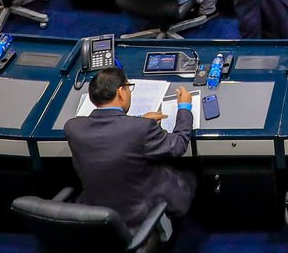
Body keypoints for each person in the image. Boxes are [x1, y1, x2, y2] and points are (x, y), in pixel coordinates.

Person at [63, 67, 197, 229]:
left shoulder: (72, 128)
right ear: (121, 92)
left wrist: (138, 120)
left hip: (97, 213)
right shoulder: (141, 129)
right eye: (128, 87)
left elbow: (113, 133)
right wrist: (184, 108)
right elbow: (178, 145)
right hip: (139, 215)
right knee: (191, 172)